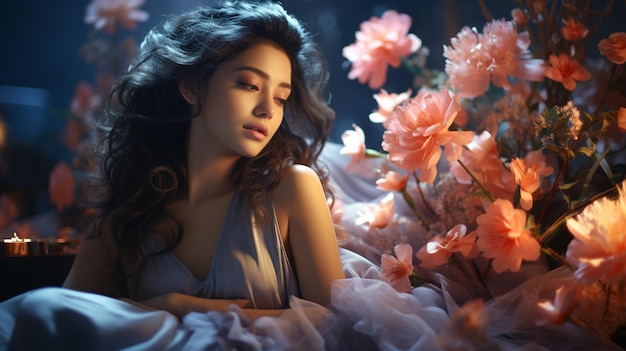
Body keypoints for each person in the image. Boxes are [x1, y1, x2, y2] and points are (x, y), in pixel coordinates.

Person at [0, 1, 345, 349]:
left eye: (281, 97)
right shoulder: (133, 202)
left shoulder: (291, 187)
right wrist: (168, 307)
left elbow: (334, 322)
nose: (268, 110)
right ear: (192, 86)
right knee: (35, 308)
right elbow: (65, 314)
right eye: (249, 84)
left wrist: (183, 310)